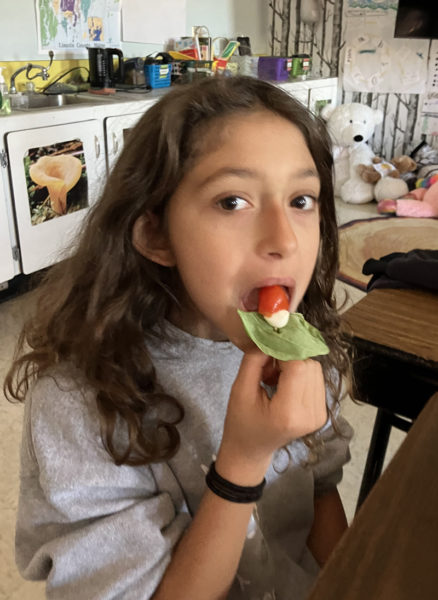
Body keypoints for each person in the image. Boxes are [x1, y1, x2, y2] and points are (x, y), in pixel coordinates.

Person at [5, 76, 353, 600]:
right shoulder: (79, 403)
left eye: (301, 200)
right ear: (156, 233)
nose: (284, 239)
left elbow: (321, 492)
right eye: (233, 201)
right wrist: (242, 462)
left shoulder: (307, 348)